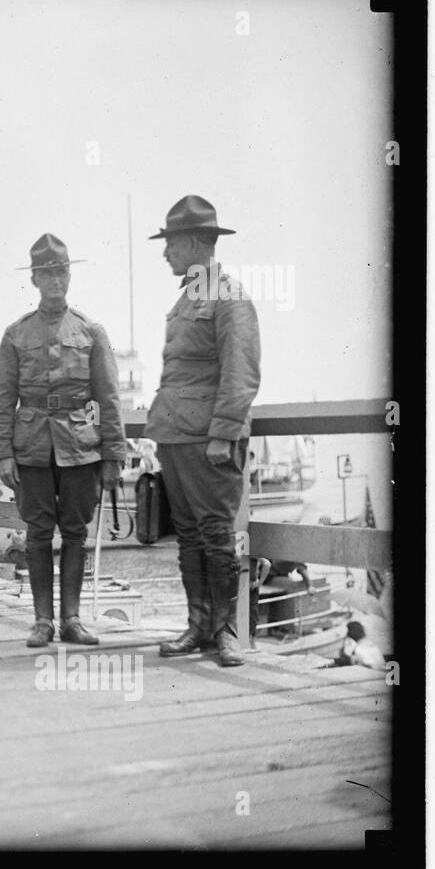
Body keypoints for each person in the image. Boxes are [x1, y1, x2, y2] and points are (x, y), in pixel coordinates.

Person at [0, 234, 125, 648]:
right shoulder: (15, 334)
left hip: (81, 447)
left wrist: (113, 454)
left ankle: (72, 619)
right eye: (46, 273)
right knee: (38, 534)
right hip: (31, 447)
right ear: (34, 278)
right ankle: (42, 621)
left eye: (61, 271)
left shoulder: (91, 332)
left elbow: (109, 397)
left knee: (76, 533)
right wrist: (2, 454)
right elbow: (1, 400)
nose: (55, 280)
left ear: (69, 275)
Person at [146, 196, 260, 668]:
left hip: (208, 441)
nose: (165, 253)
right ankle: (197, 626)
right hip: (175, 437)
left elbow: (242, 371)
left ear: (194, 242)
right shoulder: (187, 298)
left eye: (170, 243)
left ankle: (225, 631)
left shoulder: (228, 297)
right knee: (190, 536)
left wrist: (223, 434)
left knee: (215, 534)